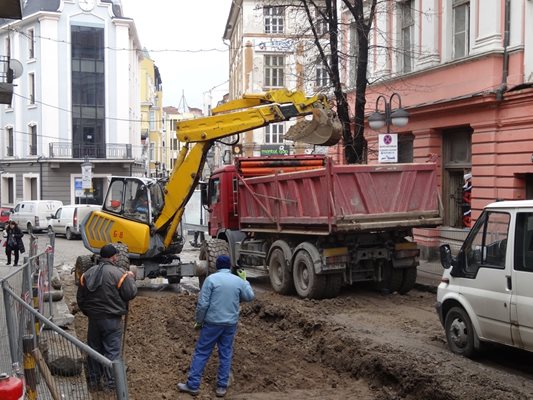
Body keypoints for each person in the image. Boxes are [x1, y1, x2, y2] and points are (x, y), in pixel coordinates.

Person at [178, 255, 255, 398]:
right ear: (229, 266)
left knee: (202, 352)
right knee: (225, 354)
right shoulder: (238, 281)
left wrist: (199, 321)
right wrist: (245, 280)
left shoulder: (211, 280)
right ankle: (221, 387)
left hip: (212, 323)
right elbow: (249, 296)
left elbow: (203, 304)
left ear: (217, 266)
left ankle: (193, 385)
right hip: (230, 324)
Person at [76, 243, 137, 391]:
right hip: (112, 320)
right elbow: (130, 294)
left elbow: (80, 298)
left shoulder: (88, 274)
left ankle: (93, 380)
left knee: (94, 349)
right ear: (113, 257)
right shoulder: (119, 274)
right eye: (116, 255)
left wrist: (88, 313)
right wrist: (131, 279)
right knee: (112, 351)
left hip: (94, 319)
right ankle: (111, 384)